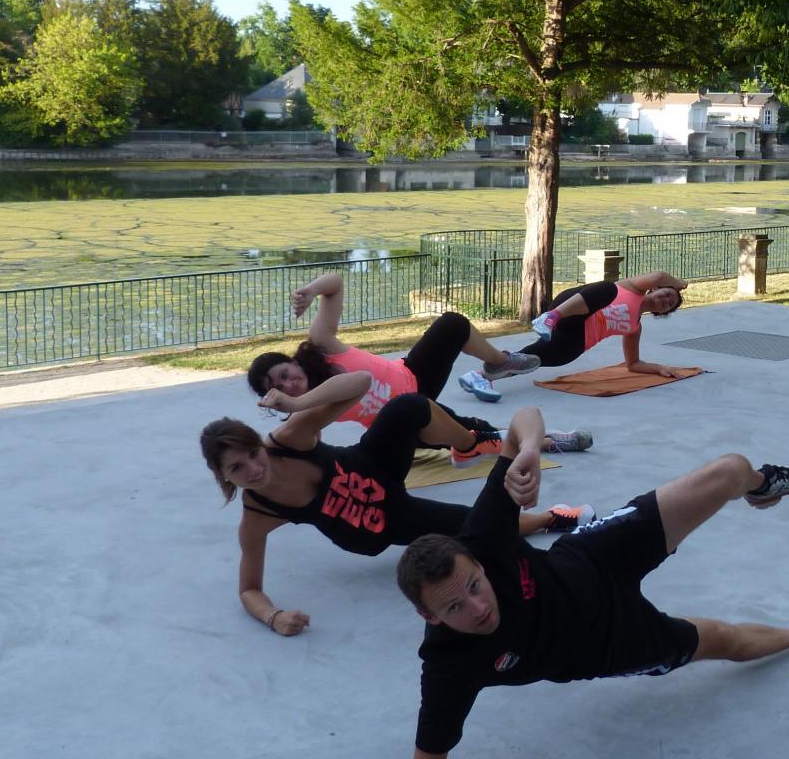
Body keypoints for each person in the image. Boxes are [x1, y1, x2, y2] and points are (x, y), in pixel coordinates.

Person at [396, 409, 789, 759]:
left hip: (596, 557)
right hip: (610, 645)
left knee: (729, 470)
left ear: (477, 564)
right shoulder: (447, 664)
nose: (477, 609)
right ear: (428, 616)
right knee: (725, 641)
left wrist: (528, 454)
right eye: (454, 608)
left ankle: (763, 484)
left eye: (475, 587)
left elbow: (524, 418)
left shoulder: (481, 535)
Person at [199, 371, 589, 638]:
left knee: (408, 407)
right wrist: (274, 617)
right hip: (375, 523)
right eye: (237, 466)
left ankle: (471, 442)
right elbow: (249, 589)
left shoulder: (288, 439)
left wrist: (298, 402)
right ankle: (549, 518)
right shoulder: (258, 516)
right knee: (479, 526)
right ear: (224, 477)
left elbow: (360, 383)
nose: (253, 467)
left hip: (371, 465)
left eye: (252, 452)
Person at [247, 271, 564, 423]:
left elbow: (337, 283)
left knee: (452, 323)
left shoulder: (320, 346)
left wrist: (312, 290)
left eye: (285, 373)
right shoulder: (303, 411)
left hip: (412, 375)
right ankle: (549, 441)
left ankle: (497, 362)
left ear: (294, 362)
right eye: (278, 387)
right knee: (473, 433)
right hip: (402, 420)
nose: (289, 384)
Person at [461, 269, 689, 396]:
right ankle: (550, 318)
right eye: (668, 293)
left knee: (528, 360)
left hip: (574, 341)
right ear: (657, 288)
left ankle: (480, 377)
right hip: (570, 310)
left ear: (662, 313)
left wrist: (660, 368)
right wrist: (682, 284)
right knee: (607, 289)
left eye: (670, 304)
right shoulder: (633, 287)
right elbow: (659, 275)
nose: (666, 300)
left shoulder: (635, 327)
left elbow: (633, 364)